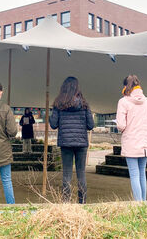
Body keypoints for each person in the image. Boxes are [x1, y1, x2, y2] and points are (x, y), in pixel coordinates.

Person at [50, 76, 94, 204]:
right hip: (81, 143)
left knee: (66, 175)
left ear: (63, 88)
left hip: (66, 143)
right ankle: (82, 203)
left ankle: (66, 203)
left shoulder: (58, 104)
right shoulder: (84, 104)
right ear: (77, 87)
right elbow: (90, 125)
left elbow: (53, 124)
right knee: (81, 174)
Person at [116, 75, 147, 202]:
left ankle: (138, 204)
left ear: (125, 86)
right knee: (142, 173)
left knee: (134, 174)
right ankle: (143, 202)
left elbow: (121, 125)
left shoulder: (123, 102)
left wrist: (124, 128)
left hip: (131, 142)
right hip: (145, 143)